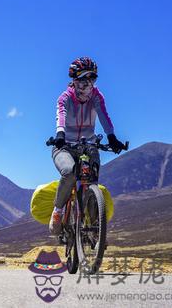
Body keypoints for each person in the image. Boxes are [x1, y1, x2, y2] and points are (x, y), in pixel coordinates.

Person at [50, 57, 126, 235]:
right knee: (69, 172)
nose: (88, 83)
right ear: (75, 80)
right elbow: (61, 114)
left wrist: (112, 136)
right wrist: (60, 133)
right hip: (65, 146)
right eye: (84, 79)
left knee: (92, 180)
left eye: (92, 78)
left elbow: (104, 115)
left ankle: (94, 228)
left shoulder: (97, 96)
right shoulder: (65, 98)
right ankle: (58, 211)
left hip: (88, 144)